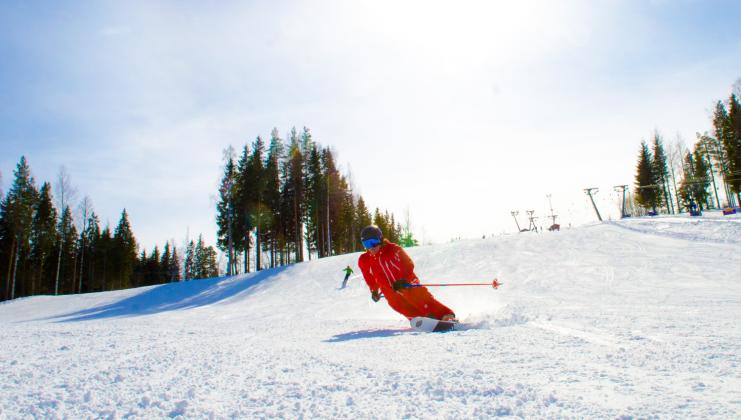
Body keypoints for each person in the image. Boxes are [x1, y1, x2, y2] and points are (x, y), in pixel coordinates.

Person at [357, 225, 456, 321]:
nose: (371, 247)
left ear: (381, 239)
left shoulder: (393, 249)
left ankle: (445, 314)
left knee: (419, 298)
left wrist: (403, 279)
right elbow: (369, 278)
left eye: (373, 242)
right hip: (390, 290)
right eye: (367, 244)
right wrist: (374, 290)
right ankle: (423, 319)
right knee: (398, 305)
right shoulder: (364, 260)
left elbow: (408, 264)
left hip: (406, 282)